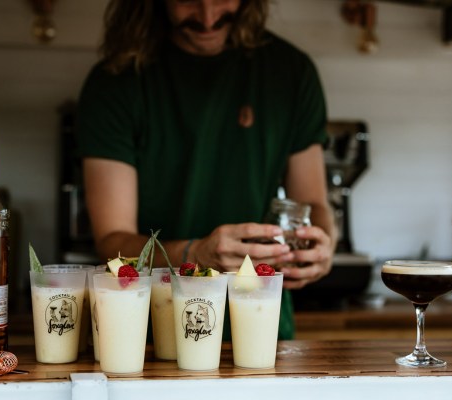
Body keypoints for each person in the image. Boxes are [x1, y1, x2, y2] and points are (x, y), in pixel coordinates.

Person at [76, 0, 337, 339]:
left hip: (260, 328)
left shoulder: (290, 72)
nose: (208, 17)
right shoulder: (115, 81)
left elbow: (312, 204)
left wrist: (324, 246)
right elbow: (113, 242)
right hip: (151, 333)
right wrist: (195, 254)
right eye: (187, 1)